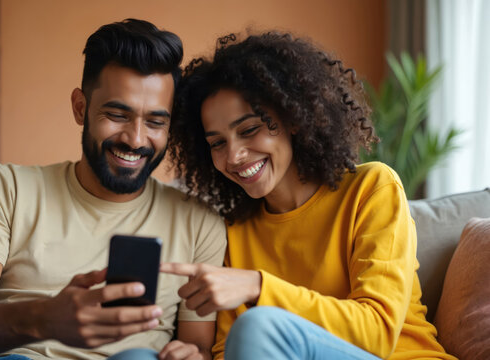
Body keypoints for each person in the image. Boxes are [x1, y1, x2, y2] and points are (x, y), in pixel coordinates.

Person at [0, 19, 226, 360]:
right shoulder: (10, 187)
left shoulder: (199, 222)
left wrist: (189, 354)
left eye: (155, 122)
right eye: (117, 115)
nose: (135, 138)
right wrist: (46, 318)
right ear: (80, 108)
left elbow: (195, 344)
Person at [163, 31, 456, 359]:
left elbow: (377, 332)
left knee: (257, 327)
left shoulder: (372, 189)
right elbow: (231, 350)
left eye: (249, 130)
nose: (233, 156)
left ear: (293, 120)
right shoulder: (235, 230)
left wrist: (258, 287)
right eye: (217, 142)